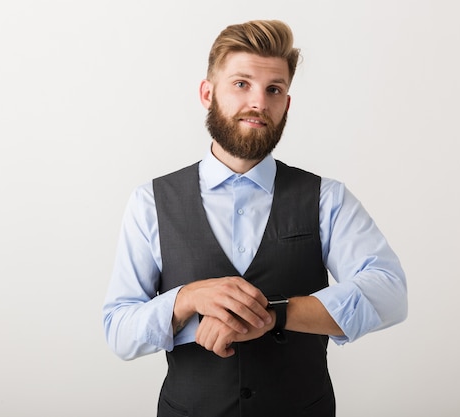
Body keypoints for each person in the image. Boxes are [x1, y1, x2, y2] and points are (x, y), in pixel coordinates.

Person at [103, 19, 408, 417]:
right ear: (207, 93)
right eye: (242, 84)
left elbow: (390, 292)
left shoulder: (326, 198)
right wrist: (188, 299)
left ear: (286, 104)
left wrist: (273, 314)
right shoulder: (150, 202)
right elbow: (119, 329)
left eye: (274, 89)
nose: (259, 103)